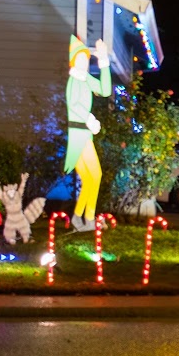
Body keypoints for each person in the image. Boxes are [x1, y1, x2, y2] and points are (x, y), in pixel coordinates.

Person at [64, 35, 111, 231]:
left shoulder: (86, 79)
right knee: (96, 175)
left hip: (85, 134)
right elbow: (73, 103)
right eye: (80, 59)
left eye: (86, 59)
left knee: (90, 179)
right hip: (79, 135)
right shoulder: (73, 80)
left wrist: (103, 62)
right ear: (74, 61)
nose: (84, 62)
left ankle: (78, 218)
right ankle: (89, 219)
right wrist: (89, 119)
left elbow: (105, 90)